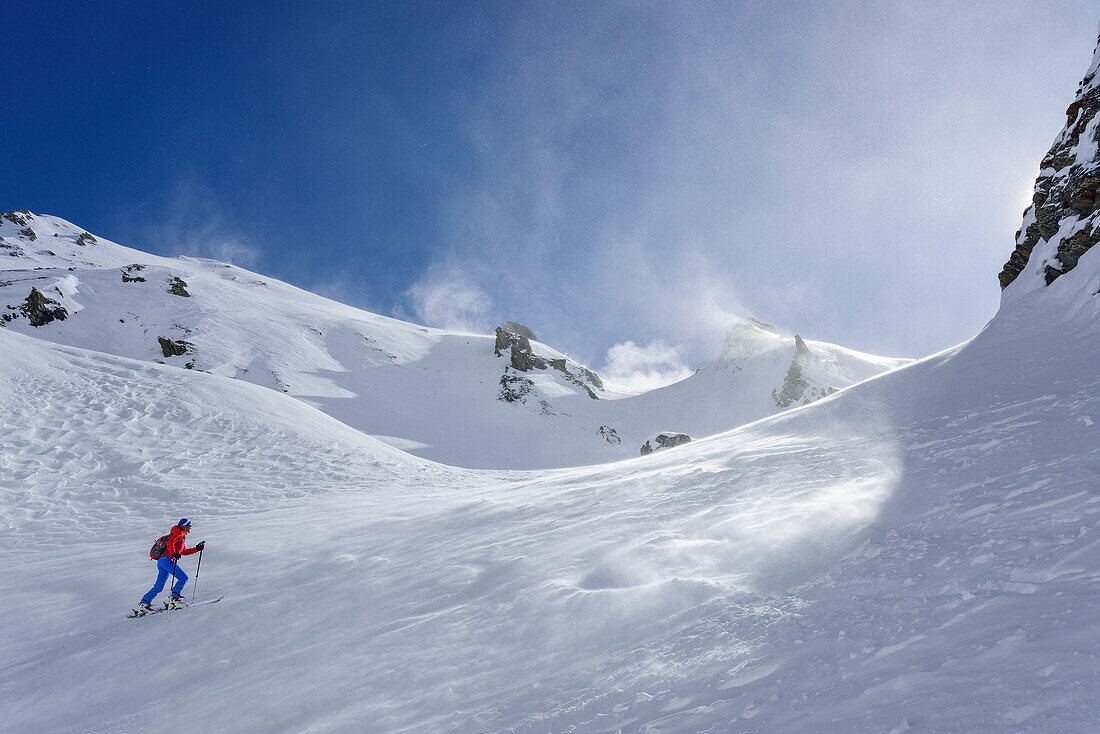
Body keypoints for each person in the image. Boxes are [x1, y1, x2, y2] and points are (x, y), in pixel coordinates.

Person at [139, 518, 205, 613]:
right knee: (183, 577)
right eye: (189, 525)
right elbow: (170, 543)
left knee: (159, 586)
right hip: (167, 560)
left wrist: (196, 549)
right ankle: (174, 600)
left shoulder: (177, 535)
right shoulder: (179, 533)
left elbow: (184, 552)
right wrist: (173, 553)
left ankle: (144, 604)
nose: (190, 527)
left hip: (162, 561)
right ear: (183, 526)